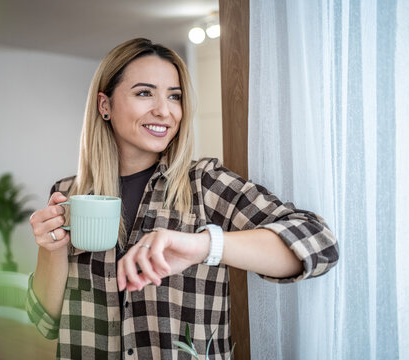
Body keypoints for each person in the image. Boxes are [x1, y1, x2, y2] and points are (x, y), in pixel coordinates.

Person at [26, 38, 339, 359]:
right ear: (104, 105)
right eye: (144, 93)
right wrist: (51, 250)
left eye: (174, 96)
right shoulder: (69, 194)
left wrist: (206, 245)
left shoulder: (205, 184)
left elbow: (320, 243)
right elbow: (46, 321)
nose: (164, 111)